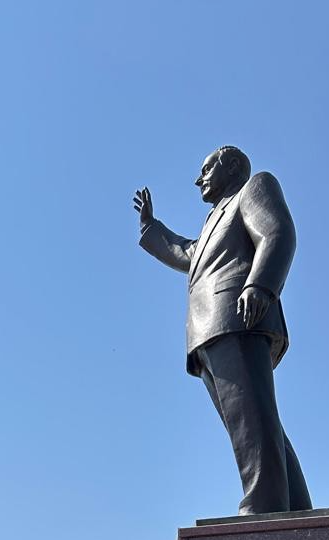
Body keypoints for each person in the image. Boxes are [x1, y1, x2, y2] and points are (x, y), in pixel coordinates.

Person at [134, 146, 312, 515]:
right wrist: (151, 227)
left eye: (205, 170)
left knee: (253, 422)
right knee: (254, 423)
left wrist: (260, 285)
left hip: (239, 317)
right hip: (210, 329)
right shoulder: (215, 218)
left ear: (231, 166)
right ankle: (295, 509)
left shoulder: (254, 188)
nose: (197, 179)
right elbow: (188, 254)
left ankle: (264, 506)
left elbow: (278, 232)